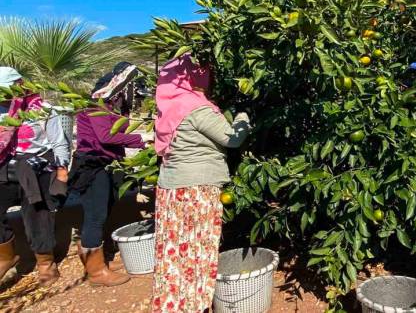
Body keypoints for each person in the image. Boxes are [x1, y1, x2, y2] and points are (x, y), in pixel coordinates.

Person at [152, 54, 251, 312]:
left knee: (174, 253)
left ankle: (172, 304)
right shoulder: (196, 106)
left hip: (171, 190)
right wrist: (242, 117)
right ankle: (195, 305)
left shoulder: (168, 106)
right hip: (196, 190)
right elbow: (232, 138)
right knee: (198, 251)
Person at [69, 62, 145, 286]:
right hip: (93, 165)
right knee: (95, 216)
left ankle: (97, 260)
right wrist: (142, 139)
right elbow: (106, 136)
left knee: (104, 209)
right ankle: (96, 273)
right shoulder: (97, 103)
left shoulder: (114, 104)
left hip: (108, 163)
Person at [0, 67, 71, 287]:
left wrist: (62, 170)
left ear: (20, 85)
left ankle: (45, 261)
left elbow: (58, 140)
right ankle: (5, 255)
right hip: (5, 164)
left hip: (36, 164)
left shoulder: (42, 110)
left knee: (37, 212)